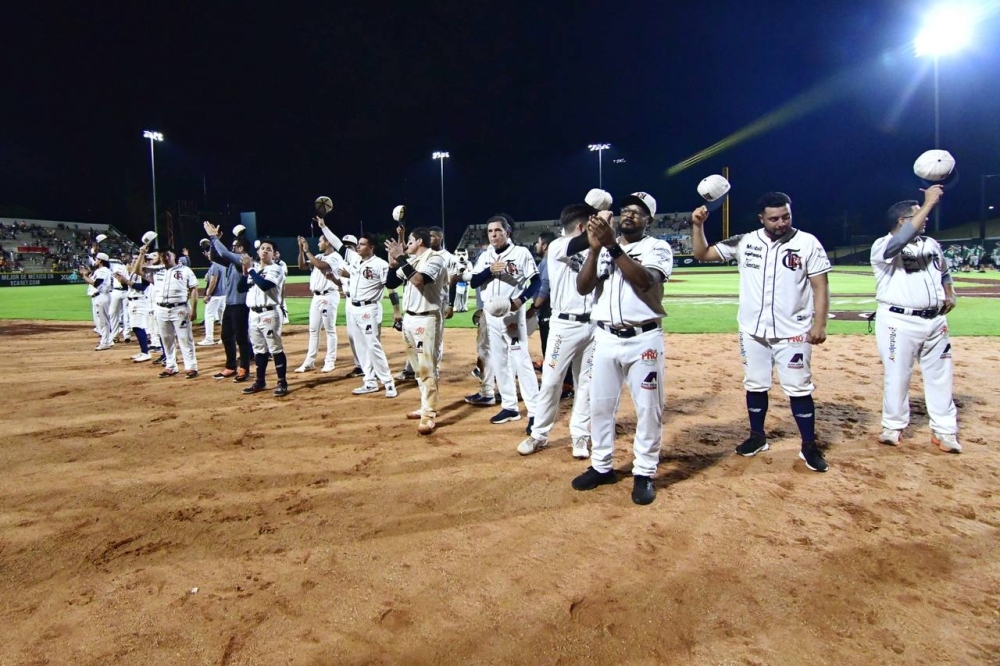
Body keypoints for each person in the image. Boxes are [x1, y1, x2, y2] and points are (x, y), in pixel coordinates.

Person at [691, 191, 831, 473]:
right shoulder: (746, 241)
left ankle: (808, 445)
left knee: (799, 388)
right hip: (752, 330)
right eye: (774, 218)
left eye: (786, 216)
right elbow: (702, 254)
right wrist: (698, 226)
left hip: (793, 331)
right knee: (755, 384)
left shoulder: (807, 243)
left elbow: (820, 286)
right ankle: (757, 437)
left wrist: (820, 323)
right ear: (761, 218)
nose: (781, 223)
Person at [571, 192, 673, 505]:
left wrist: (612, 246)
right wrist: (593, 249)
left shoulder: (657, 247)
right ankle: (602, 465)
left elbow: (645, 281)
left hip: (643, 339)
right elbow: (583, 287)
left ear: (649, 220)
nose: (629, 215)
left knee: (647, 409)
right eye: (625, 210)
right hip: (604, 338)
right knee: (599, 405)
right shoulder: (602, 248)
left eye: (638, 212)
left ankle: (644, 471)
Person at [870, 185, 961, 452]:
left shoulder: (931, 244)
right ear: (903, 221)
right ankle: (893, 426)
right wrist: (929, 202)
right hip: (899, 322)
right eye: (918, 214)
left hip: (935, 322)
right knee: (898, 375)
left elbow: (943, 270)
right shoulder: (883, 244)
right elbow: (899, 243)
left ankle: (945, 431)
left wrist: (950, 291)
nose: (926, 217)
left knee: (941, 376)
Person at [518, 205, 597, 459]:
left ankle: (580, 435)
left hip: (594, 324)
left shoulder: (594, 248)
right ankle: (539, 434)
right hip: (565, 325)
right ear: (583, 227)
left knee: (586, 383)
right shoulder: (557, 246)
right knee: (551, 381)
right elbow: (579, 245)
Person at [468, 214, 541, 426]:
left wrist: (521, 300)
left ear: (507, 232)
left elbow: (535, 282)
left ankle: (535, 411)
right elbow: (473, 282)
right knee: (499, 361)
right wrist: (489, 271)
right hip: (491, 313)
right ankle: (510, 407)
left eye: (497, 230)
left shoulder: (520, 253)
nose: (493, 234)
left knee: (520, 359)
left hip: (511, 313)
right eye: (490, 231)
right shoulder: (485, 256)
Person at [315, 222, 397, 397]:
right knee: (360, 347)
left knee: (373, 345)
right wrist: (323, 227)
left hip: (369, 309)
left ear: (371, 247)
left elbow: (391, 284)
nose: (358, 247)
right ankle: (369, 382)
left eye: (362, 244)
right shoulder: (354, 258)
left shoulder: (380, 264)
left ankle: (388, 382)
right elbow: (336, 243)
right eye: (358, 244)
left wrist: (392, 266)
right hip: (353, 308)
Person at [385, 227, 447, 434]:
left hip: (427, 320)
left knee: (427, 368)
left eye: (409, 241)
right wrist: (393, 263)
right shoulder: (410, 261)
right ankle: (424, 406)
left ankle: (429, 414)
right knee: (417, 369)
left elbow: (419, 280)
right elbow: (391, 282)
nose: (407, 244)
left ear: (419, 241)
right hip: (410, 319)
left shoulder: (435, 259)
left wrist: (401, 257)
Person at [237, 239, 289, 396]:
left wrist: (251, 270)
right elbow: (240, 288)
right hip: (253, 314)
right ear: (258, 252)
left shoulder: (276, 269)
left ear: (274, 254)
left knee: (275, 348)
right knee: (259, 350)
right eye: (262, 248)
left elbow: (265, 285)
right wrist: (245, 273)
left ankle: (282, 382)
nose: (265, 251)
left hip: (269, 313)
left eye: (269, 249)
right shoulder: (255, 270)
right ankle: (260, 381)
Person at [204, 222, 253, 383]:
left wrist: (213, 237)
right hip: (230, 305)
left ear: (241, 248)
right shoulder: (233, 262)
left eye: (235, 245)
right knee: (226, 336)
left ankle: (244, 368)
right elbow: (214, 257)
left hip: (241, 305)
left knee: (241, 338)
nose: (232, 247)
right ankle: (231, 366)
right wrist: (213, 242)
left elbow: (224, 253)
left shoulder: (242, 260)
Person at [295, 233, 344, 373]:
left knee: (330, 330)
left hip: (329, 296)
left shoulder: (335, 257)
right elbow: (302, 266)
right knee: (313, 331)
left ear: (328, 242)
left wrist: (306, 250)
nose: (318, 244)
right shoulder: (319, 255)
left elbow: (320, 265)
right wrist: (300, 249)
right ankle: (309, 361)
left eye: (320, 241)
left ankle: (330, 361)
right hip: (316, 297)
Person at [150, 247, 200, 378]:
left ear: (174, 256)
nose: (165, 258)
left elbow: (194, 289)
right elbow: (137, 271)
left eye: (168, 255)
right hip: (161, 309)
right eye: (163, 256)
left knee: (184, 338)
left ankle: (191, 367)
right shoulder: (157, 272)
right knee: (166, 339)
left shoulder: (185, 270)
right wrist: (142, 253)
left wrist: (194, 310)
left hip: (180, 308)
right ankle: (171, 366)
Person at [80, 252, 114, 350]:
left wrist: (84, 276)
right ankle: (107, 341)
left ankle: (105, 342)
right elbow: (91, 283)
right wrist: (86, 276)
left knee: (103, 321)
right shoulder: (99, 271)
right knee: (99, 322)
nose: (95, 261)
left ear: (101, 261)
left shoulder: (103, 270)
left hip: (101, 296)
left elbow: (96, 283)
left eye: (97, 259)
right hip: (97, 297)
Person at [198, 240, 227, 346]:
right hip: (223, 295)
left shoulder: (214, 265)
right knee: (223, 317)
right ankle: (225, 338)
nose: (207, 255)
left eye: (209, 252)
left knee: (209, 316)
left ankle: (209, 338)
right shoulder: (222, 264)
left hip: (214, 296)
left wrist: (207, 294)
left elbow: (214, 281)